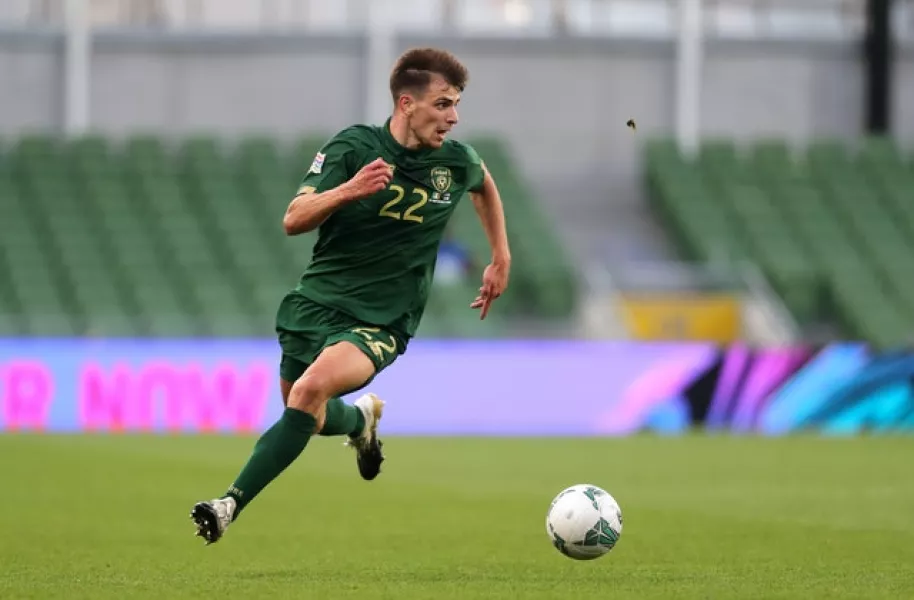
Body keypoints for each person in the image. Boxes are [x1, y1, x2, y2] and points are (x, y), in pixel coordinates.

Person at [190, 47, 512, 545]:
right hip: (316, 303)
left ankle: (228, 503)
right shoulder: (353, 148)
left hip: (384, 318)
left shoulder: (455, 160)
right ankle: (360, 418)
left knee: (308, 391)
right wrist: (350, 190)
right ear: (407, 104)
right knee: (307, 412)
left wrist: (500, 256)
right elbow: (293, 219)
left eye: (456, 105)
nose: (454, 117)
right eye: (443, 104)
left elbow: (484, 185)